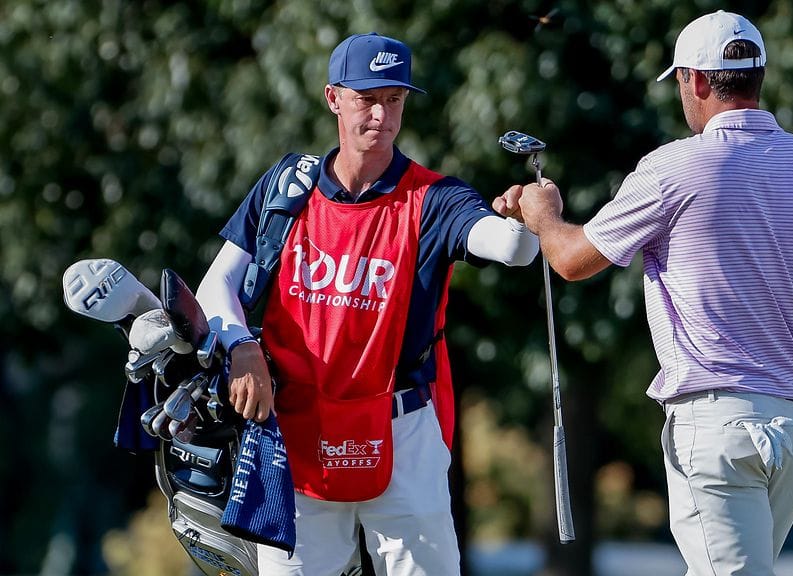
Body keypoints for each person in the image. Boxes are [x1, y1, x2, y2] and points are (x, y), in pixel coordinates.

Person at [498, 10, 793, 575]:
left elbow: (573, 261)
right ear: (759, 75)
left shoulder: (671, 169)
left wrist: (543, 214)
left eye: (679, 82)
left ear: (696, 82)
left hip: (717, 436)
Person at [196, 32, 539, 576]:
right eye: (367, 98)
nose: (381, 114)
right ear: (333, 98)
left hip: (403, 432)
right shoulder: (288, 185)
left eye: (394, 99)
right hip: (297, 430)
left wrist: (524, 216)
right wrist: (241, 347)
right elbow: (216, 285)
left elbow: (509, 248)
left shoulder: (434, 197)